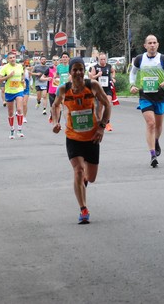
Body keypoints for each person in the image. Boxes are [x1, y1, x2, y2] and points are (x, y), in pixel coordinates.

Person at [51, 57, 111, 224]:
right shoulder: (63, 89)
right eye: (74, 69)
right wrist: (56, 122)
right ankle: (83, 209)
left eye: (80, 69)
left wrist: (101, 127)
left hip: (92, 137)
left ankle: (84, 180)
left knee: (90, 178)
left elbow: (108, 104)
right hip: (73, 137)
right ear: (70, 72)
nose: (77, 72)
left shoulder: (92, 86)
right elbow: (55, 106)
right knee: (78, 170)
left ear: (84, 71)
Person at [129, 34, 164, 168]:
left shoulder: (163, 58)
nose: (152, 45)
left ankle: (155, 141)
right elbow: (133, 73)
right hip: (145, 95)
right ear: (145, 46)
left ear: (157, 44)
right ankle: (152, 155)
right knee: (151, 123)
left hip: (159, 95)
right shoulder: (139, 59)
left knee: (158, 125)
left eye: (154, 42)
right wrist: (132, 85)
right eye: (149, 43)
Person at [0, 51, 25, 139]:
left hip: (19, 89)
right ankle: (12, 129)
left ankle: (20, 129)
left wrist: (22, 80)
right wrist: (8, 76)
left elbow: (22, 74)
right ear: (8, 59)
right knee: (10, 112)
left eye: (13, 57)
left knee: (19, 109)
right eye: (10, 58)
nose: (12, 59)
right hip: (9, 91)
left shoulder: (19, 66)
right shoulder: (5, 68)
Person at [89, 52, 116, 131]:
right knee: (100, 107)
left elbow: (113, 71)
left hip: (108, 89)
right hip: (99, 90)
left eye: (104, 59)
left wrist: (113, 78)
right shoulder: (95, 67)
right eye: (101, 59)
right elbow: (92, 78)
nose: (103, 61)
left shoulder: (109, 66)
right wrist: (97, 76)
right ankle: (101, 123)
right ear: (98, 60)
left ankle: (107, 122)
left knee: (108, 104)